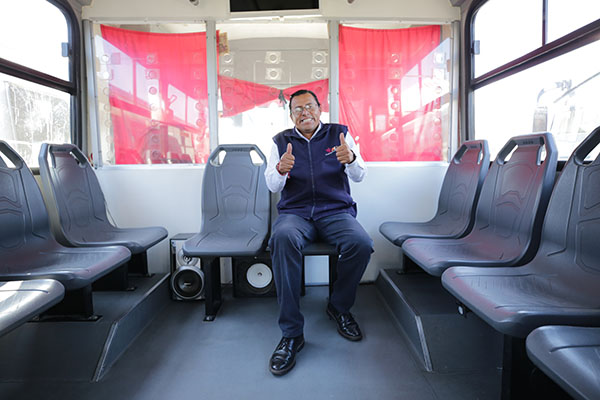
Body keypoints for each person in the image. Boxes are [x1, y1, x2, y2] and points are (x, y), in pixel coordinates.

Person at [265, 89, 374, 376]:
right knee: (282, 238)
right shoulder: (280, 141)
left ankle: (339, 307)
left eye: (309, 106)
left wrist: (351, 159)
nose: (305, 113)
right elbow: (272, 185)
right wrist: (280, 169)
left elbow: (360, 175)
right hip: (296, 213)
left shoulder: (339, 134)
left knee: (361, 243)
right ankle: (291, 333)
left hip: (335, 211)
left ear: (319, 109)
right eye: (298, 109)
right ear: (291, 115)